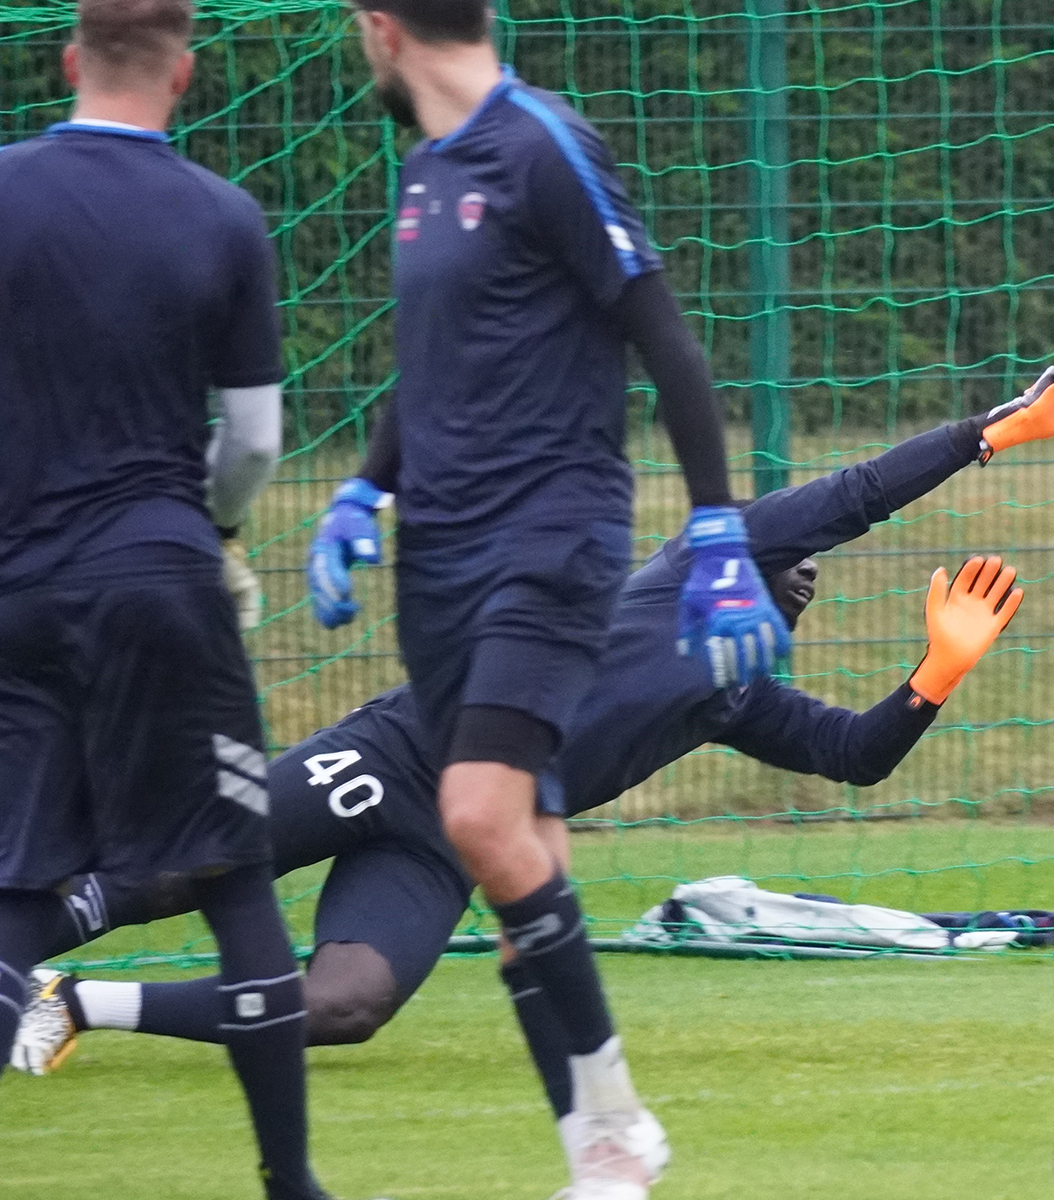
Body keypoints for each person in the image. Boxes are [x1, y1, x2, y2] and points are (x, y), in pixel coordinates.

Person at [12, 340, 1054, 1144]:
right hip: (404, 754)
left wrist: (936, 672)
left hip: (450, 845)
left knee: (350, 1006)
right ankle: (16, 950)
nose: (801, 576)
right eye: (788, 564)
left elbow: (855, 754)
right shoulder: (694, 563)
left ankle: (74, 1008)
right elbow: (857, 496)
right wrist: (996, 433)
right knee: (179, 872)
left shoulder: (734, 700)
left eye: (804, 588)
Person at [300, 3, 791, 1195]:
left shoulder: (543, 142)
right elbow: (435, 363)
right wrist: (363, 493)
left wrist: (718, 523)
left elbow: (663, 337)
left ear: (380, 27)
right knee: (529, 857)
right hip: (440, 561)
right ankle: (604, 1153)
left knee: (474, 816)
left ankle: (615, 1134)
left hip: (550, 543)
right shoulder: (424, 168)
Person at [0, 2, 330, 1198]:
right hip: (162, 588)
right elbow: (250, 441)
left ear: (68, 57)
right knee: (233, 873)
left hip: (20, 591)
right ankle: (290, 1182)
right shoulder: (221, 216)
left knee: (18, 885)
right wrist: (221, 529)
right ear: (186, 73)